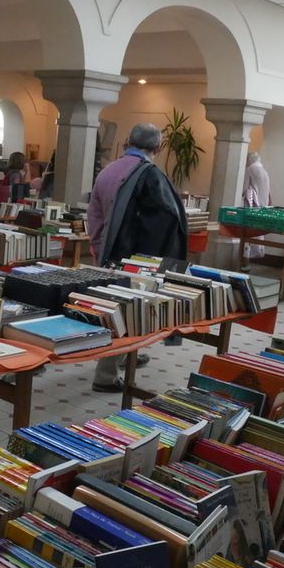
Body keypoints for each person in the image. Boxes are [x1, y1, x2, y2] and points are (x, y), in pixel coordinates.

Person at [87, 122, 189, 391]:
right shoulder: (149, 174)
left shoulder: (106, 171)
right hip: (134, 258)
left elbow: (94, 214)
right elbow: (167, 220)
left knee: (111, 307)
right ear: (157, 147)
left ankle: (124, 356)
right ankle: (105, 375)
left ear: (125, 143)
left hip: (105, 251)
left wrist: (98, 244)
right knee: (128, 310)